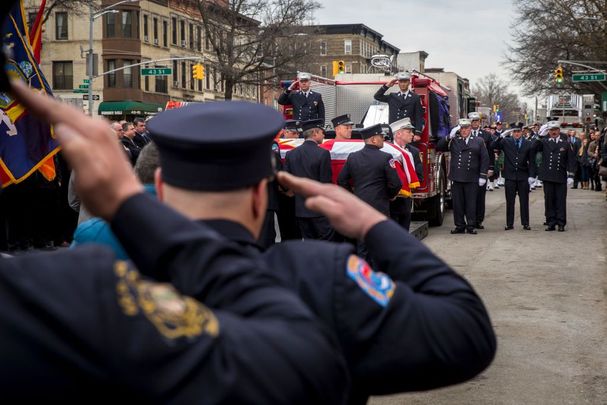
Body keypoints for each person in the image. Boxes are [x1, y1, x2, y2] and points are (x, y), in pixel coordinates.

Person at [1, 80, 349, 404]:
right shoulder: (305, 285)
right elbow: (323, 368)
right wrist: (375, 227)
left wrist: (127, 210)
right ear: (259, 198)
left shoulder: (56, 290)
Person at [144, 102, 496, 404]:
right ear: (260, 195)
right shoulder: (320, 275)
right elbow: (467, 337)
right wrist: (375, 226)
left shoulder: (106, 287)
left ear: (158, 188)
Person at [338, 124, 402, 261]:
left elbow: (341, 180)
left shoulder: (353, 157)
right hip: (379, 207)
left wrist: (353, 196)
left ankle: (363, 277)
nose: (383, 140)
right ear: (373, 139)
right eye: (381, 137)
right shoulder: (385, 157)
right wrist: (390, 195)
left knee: (363, 245)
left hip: (360, 207)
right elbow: (396, 183)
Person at [284, 119, 334, 240]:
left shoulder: (291, 154)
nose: (324, 135)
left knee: (308, 241)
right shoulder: (323, 154)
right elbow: (325, 183)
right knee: (325, 241)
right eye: (322, 132)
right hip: (319, 209)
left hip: (301, 209)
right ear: (315, 133)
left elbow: (286, 180)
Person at [438, 119, 489, 235]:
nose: (464, 131)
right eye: (462, 129)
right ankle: (459, 225)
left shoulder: (478, 141)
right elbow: (439, 146)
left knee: (471, 203)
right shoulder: (454, 140)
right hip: (457, 176)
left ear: (470, 129)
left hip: (472, 177)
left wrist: (482, 175)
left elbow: (485, 159)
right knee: (458, 203)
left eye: (466, 128)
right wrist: (448, 137)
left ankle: (471, 225)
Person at [532, 121, 576, 232]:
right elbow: (533, 148)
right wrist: (540, 136)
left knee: (560, 200)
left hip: (560, 176)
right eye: (551, 130)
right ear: (549, 132)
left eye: (555, 130)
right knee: (549, 200)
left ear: (559, 130)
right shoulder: (545, 142)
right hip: (548, 176)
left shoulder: (565, 143)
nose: (553, 132)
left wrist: (571, 175)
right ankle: (551, 222)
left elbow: (571, 160)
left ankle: (561, 222)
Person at [492, 122, 535, 230]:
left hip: (523, 176)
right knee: (510, 201)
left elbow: (532, 160)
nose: (516, 134)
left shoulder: (527, 143)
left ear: (522, 132)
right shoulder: (506, 141)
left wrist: (531, 175)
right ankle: (509, 223)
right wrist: (501, 136)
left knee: (524, 201)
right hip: (510, 176)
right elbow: (493, 146)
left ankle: (525, 223)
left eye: (518, 131)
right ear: (512, 132)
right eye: (514, 132)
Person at [389, 117, 424, 231]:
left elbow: (419, 175)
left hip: (405, 199)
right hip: (390, 199)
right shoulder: (386, 149)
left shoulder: (414, 151)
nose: (412, 134)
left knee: (404, 229)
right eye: (408, 132)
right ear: (398, 134)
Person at [469, 112, 495, 229]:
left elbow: (490, 153)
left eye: (477, 121)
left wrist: (490, 168)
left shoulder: (486, 135)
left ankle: (479, 220)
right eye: (473, 121)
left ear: (480, 122)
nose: (475, 123)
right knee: (470, 196)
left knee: (480, 196)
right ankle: (470, 219)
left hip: (481, 169)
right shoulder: (465, 133)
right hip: (469, 169)